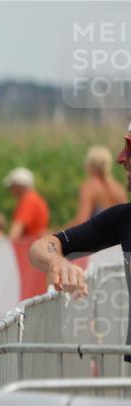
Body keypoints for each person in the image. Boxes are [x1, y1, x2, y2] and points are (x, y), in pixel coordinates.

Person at [29, 123, 131, 363]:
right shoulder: (123, 216)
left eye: (129, 149)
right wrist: (57, 261)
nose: (122, 159)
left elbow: (82, 215)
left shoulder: (92, 188)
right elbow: (41, 246)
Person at [68, 145, 127, 228]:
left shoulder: (89, 187)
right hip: (118, 238)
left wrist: (59, 234)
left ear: (89, 165)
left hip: (98, 239)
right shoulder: (119, 188)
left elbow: (82, 220)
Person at [3, 167, 49, 241]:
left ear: (18, 186)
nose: (11, 190)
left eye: (12, 187)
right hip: (35, 245)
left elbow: (14, 234)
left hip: (28, 247)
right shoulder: (36, 199)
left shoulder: (29, 201)